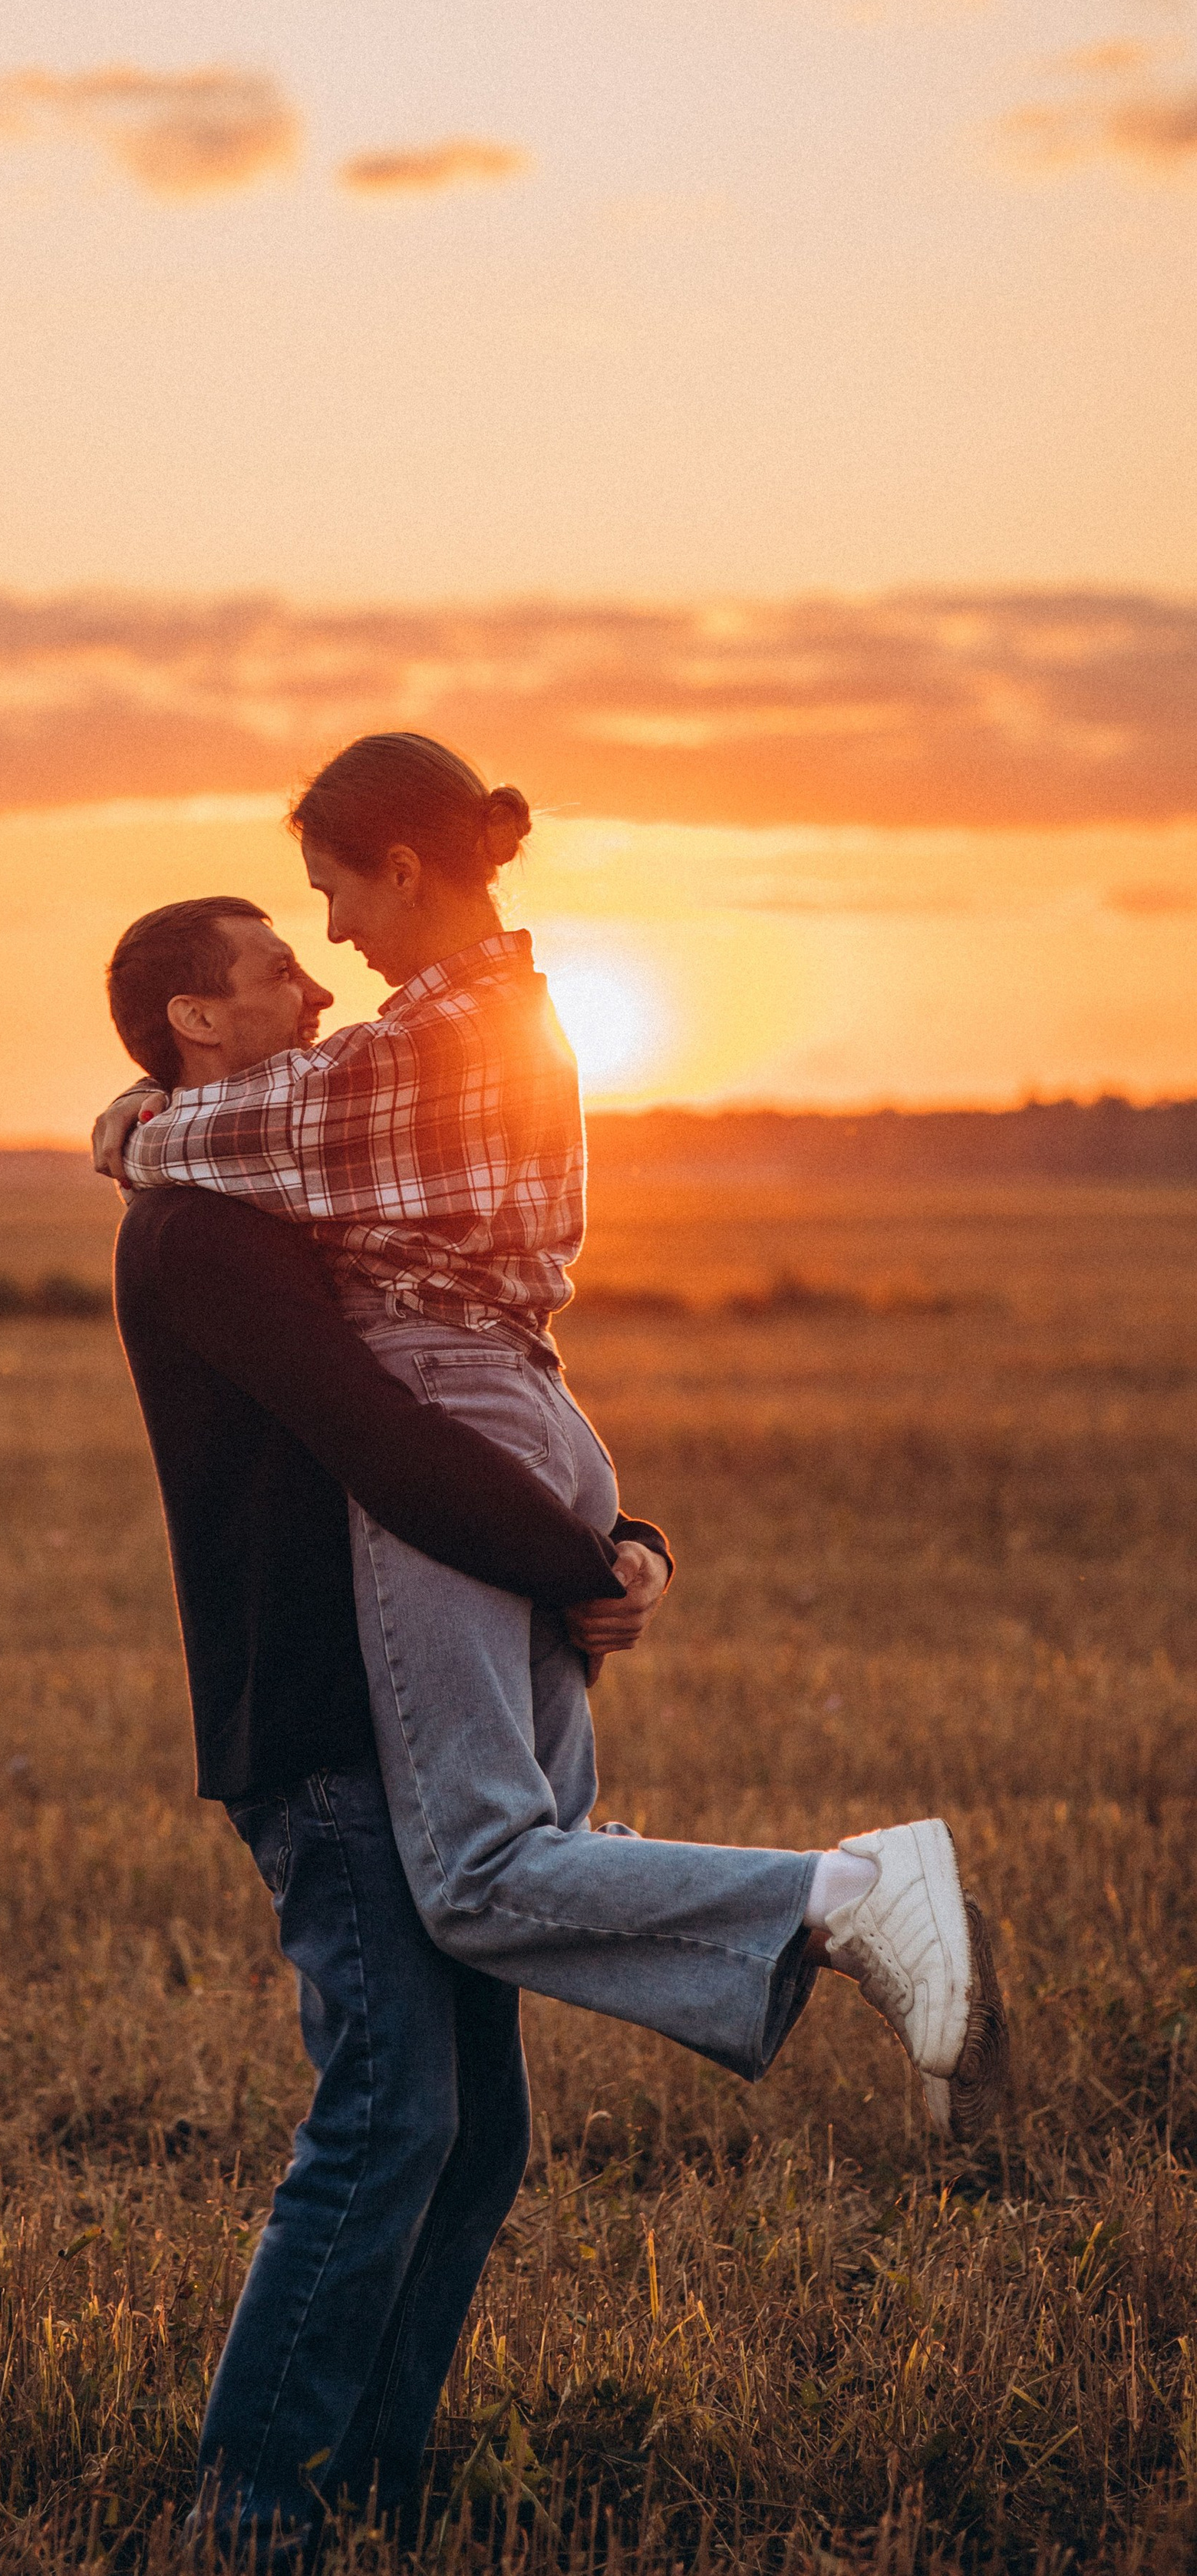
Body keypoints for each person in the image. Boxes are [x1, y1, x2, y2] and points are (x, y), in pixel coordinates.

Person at [95, 738, 1011, 2143]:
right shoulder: (508, 1021)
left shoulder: (426, 1046)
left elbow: (224, 1131)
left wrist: (136, 1116)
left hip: (454, 1406)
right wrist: (602, 1532)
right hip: (535, 1407)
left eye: (333, 891)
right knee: (537, 1863)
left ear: (404, 868)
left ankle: (843, 1896)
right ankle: (844, 1926)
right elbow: (259, 1116)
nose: (330, 937)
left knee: (474, 1874)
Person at [107, 893, 678, 2558]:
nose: (314, 976)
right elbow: (381, 1433)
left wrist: (625, 1539)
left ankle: (373, 2476)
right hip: (317, 1710)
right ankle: (256, 2499)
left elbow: (475, 1369)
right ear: (193, 1022)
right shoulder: (200, 1231)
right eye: (270, 964)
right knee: (387, 2113)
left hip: (404, 1700)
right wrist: (580, 1560)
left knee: (473, 2126)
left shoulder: (269, 1188)